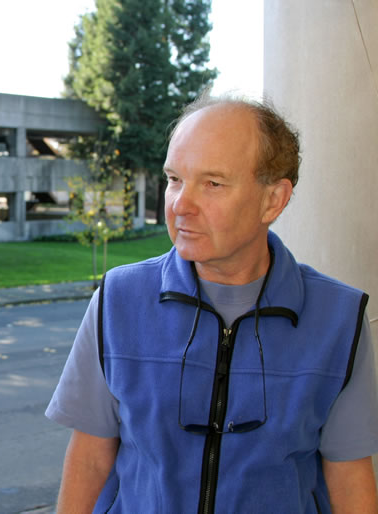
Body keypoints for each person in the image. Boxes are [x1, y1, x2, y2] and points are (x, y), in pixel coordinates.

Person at [46, 95, 378, 513]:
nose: (180, 205)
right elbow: (90, 458)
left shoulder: (339, 319)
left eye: (212, 183)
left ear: (273, 200)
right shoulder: (117, 300)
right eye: (174, 179)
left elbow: (349, 478)